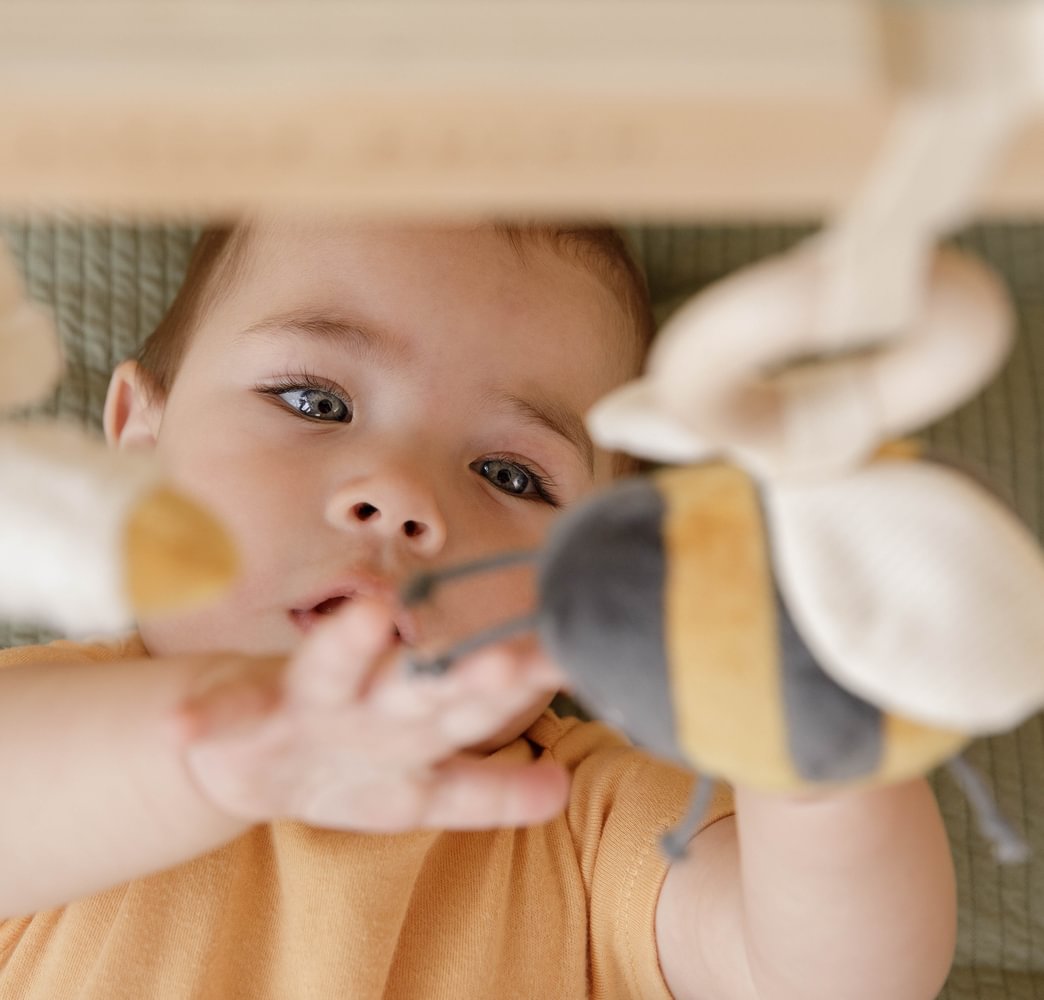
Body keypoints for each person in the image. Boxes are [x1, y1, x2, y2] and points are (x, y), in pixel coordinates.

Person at [0, 219, 956, 1000]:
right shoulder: (46, 732)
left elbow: (833, 977)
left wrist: (814, 734)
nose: (401, 495)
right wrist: (211, 761)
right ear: (135, 443)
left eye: (511, 475)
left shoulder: (585, 819)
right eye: (313, 401)